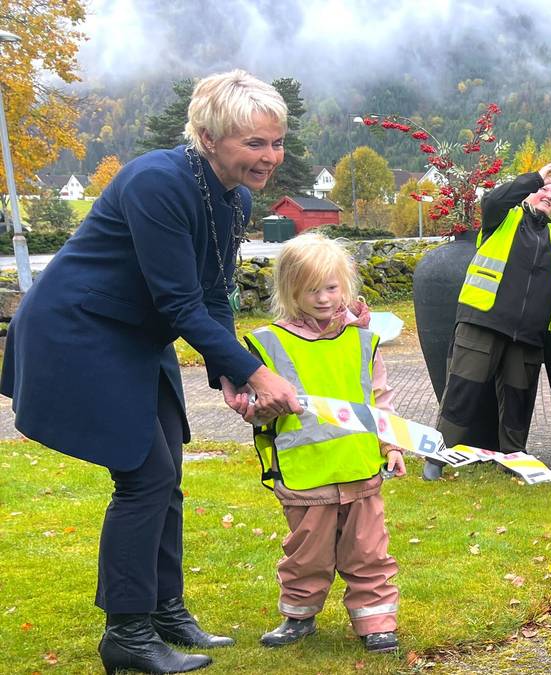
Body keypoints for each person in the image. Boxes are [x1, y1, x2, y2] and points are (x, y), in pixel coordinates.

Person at [0, 70, 301, 674]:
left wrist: (230, 372)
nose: (269, 157)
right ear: (210, 136)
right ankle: (128, 636)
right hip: (82, 331)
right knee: (143, 478)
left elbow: (213, 292)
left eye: (275, 142)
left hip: (137, 336)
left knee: (167, 477)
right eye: (254, 144)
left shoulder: (233, 196)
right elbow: (177, 302)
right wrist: (258, 373)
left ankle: (166, 610)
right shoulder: (156, 182)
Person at [237, 233, 404, 654]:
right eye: (312, 289)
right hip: (305, 475)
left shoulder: (363, 340)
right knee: (306, 556)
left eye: (331, 288)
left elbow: (379, 399)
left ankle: (377, 622)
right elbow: (255, 406)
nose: (324, 298)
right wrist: (258, 410)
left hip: (360, 471)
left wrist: (393, 446)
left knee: (368, 553)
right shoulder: (268, 343)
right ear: (290, 290)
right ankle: (299, 617)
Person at [429, 163, 551, 479]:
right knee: (462, 391)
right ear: (526, 195)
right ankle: (436, 458)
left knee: (519, 401)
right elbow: (491, 201)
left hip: (529, 335)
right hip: (483, 322)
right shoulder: (501, 219)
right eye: (541, 191)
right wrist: (536, 178)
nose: (548, 195)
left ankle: (514, 460)